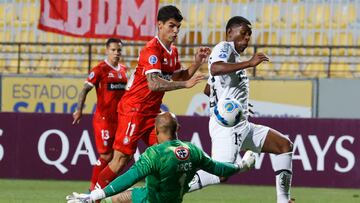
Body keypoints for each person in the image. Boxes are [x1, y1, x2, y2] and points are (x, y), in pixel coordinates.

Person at [95, 5, 212, 189]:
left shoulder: (172, 52)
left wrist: (197, 62)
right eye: (171, 26)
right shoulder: (151, 50)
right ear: (159, 25)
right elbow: (154, 83)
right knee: (120, 160)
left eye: (178, 27)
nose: (175, 31)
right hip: (134, 109)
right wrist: (184, 85)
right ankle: (92, 198)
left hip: (152, 113)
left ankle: (157, 196)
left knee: (167, 153)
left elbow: (178, 76)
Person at [187, 16, 294, 203]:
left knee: (284, 146)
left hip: (241, 123)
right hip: (226, 127)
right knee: (221, 174)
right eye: (243, 33)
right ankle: (174, 189)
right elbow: (215, 68)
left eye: (249, 35)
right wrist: (249, 63)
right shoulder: (224, 47)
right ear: (230, 33)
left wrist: (237, 104)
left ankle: (283, 200)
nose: (246, 39)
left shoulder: (234, 57)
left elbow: (208, 89)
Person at [66, 112, 257, 203]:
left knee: (119, 195)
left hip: (152, 201)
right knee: (120, 198)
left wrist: (93, 196)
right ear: (178, 130)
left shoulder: (155, 154)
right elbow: (220, 169)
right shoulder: (193, 150)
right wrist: (242, 165)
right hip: (164, 198)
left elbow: (128, 177)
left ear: (156, 130)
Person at [72, 38, 128, 191]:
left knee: (119, 157)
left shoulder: (123, 70)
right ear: (107, 50)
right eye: (113, 50)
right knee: (106, 156)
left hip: (120, 119)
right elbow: (85, 89)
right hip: (104, 120)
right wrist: (79, 110)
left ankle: (105, 189)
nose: (116, 53)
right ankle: (92, 191)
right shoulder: (99, 70)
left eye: (119, 50)